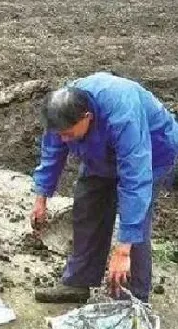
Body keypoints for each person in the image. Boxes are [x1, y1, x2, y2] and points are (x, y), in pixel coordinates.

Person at [31, 71, 178, 304]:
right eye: (61, 134)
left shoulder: (123, 115)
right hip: (99, 153)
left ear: (87, 116)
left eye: (68, 134)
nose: (65, 139)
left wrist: (121, 251)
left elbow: (135, 182)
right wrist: (41, 197)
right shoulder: (62, 112)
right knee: (87, 209)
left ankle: (131, 298)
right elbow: (52, 151)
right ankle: (77, 283)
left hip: (151, 152)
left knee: (136, 223)